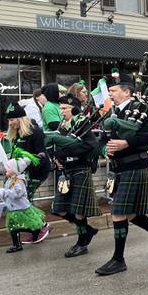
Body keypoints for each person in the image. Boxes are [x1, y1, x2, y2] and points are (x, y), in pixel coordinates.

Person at [95, 72, 148, 276]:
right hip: (119, 168)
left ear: (127, 91)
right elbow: (102, 139)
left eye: (113, 90)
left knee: (119, 211)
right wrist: (105, 150)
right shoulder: (111, 113)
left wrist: (126, 143)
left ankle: (118, 259)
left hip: (135, 165)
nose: (110, 94)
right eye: (110, 90)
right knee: (130, 213)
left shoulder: (143, 109)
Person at [51, 94, 102, 258]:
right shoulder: (63, 125)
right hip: (66, 170)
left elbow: (91, 145)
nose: (61, 111)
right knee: (59, 209)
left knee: (78, 211)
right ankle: (88, 230)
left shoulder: (82, 123)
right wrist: (56, 155)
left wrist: (68, 150)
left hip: (80, 168)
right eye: (61, 108)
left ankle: (82, 243)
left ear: (73, 109)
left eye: (64, 108)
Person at [0, 157, 50, 253]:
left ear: (15, 170)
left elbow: (16, 194)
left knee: (18, 226)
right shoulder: (11, 179)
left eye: (8, 168)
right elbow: (8, 194)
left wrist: (1, 192)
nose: (6, 169)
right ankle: (22, 241)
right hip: (14, 208)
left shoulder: (19, 181)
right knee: (15, 227)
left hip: (20, 208)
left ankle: (36, 232)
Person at [3, 102, 51, 201]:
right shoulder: (17, 132)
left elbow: (41, 156)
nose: (10, 123)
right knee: (18, 200)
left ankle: (32, 216)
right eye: (8, 120)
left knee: (23, 200)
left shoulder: (35, 132)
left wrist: (18, 168)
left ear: (20, 119)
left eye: (12, 120)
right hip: (22, 172)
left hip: (36, 171)